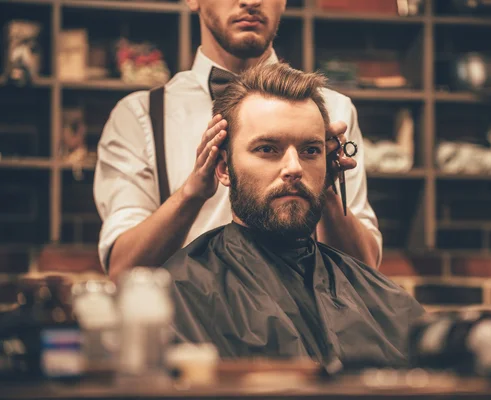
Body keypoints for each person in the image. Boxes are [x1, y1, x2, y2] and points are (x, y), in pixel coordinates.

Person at [94, 0, 383, 281]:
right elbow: (123, 271)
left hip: (304, 324)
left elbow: (365, 275)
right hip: (185, 324)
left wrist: (325, 190)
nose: (251, 2)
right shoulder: (141, 115)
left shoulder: (334, 110)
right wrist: (191, 194)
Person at [165, 62, 424, 369]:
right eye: (267, 149)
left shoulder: (382, 299)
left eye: (310, 151)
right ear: (223, 169)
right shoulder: (183, 292)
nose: (294, 168)